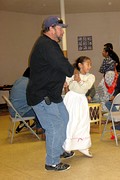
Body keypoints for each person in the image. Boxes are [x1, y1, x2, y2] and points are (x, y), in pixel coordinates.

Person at [26, 16, 74, 171]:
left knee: (64, 119)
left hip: (51, 94)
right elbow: (65, 67)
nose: (63, 32)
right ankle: (52, 162)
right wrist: (72, 70)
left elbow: (55, 67)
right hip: (42, 96)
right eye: (60, 29)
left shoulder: (49, 45)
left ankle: (59, 150)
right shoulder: (47, 45)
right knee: (55, 126)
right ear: (51, 29)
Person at [63, 56, 95, 157]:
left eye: (90, 64)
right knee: (71, 121)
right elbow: (65, 82)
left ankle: (83, 146)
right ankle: (67, 147)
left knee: (83, 122)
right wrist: (65, 83)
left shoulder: (91, 77)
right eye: (87, 64)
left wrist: (79, 80)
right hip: (71, 99)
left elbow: (87, 86)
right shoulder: (73, 74)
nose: (90, 66)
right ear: (80, 65)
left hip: (81, 100)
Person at [9, 67, 43, 135]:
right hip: (20, 112)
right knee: (42, 109)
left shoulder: (20, 80)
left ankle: (38, 124)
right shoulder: (29, 83)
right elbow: (38, 98)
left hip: (14, 110)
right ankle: (40, 129)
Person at [95, 46, 118, 111]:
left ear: (107, 53)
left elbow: (101, 70)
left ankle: (105, 108)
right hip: (114, 75)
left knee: (101, 92)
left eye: (103, 51)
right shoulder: (114, 59)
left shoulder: (106, 60)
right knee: (110, 92)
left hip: (107, 75)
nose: (102, 52)